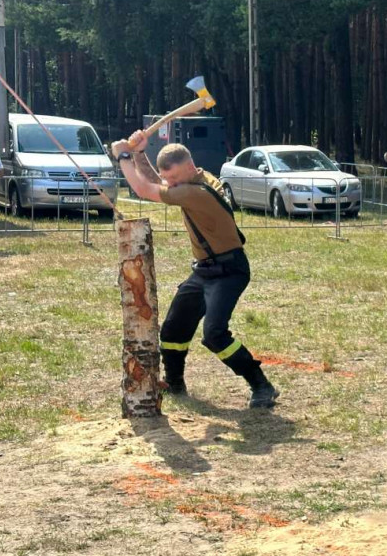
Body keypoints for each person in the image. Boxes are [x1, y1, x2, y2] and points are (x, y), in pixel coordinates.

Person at [111, 131, 279, 409]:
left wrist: (123, 156)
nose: (171, 184)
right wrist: (141, 153)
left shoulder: (197, 192)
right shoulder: (194, 179)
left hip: (229, 270)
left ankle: (261, 385)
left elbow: (145, 190)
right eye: (170, 180)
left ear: (189, 166)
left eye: (174, 178)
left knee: (214, 335)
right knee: (173, 331)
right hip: (204, 271)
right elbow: (158, 183)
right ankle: (175, 382)